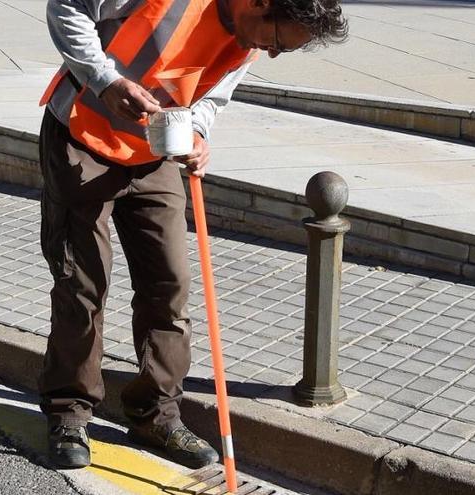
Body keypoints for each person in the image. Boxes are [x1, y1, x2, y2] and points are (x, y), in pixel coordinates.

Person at [38, 0, 348, 470]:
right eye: (279, 41)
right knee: (82, 285)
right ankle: (69, 413)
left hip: (155, 153)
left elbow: (211, 98)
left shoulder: (248, 40)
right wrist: (105, 80)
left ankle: (155, 413)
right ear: (261, 4)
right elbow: (65, 5)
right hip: (82, 139)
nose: (274, 53)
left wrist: (198, 133)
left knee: (170, 285)